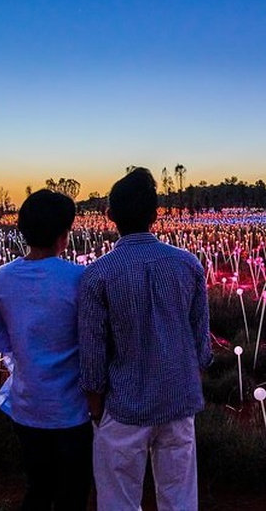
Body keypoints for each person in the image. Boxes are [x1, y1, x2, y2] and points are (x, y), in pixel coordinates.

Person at [79, 167, 212, 511]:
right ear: (156, 215)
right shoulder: (188, 265)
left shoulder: (98, 274)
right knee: (180, 498)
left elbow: (92, 356)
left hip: (125, 407)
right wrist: (184, 384)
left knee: (119, 500)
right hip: (178, 401)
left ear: (109, 216)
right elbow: (201, 345)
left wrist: (96, 411)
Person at [0, 189, 92, 511]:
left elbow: (2, 339)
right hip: (72, 411)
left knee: (38, 488)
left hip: (27, 406)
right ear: (65, 235)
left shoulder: (3, 276)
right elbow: (92, 341)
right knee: (72, 493)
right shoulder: (79, 277)